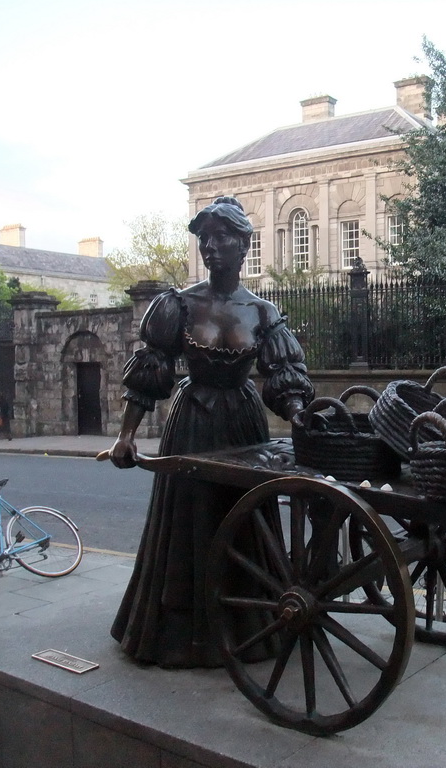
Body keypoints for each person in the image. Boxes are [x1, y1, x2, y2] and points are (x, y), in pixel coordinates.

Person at [107, 196, 314, 668]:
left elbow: (283, 374)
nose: (212, 246)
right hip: (194, 423)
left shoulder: (262, 312)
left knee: (243, 521)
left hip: (243, 424)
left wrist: (299, 415)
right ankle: (182, 636)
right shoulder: (179, 304)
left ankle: (250, 627)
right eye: (205, 237)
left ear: (244, 246)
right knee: (190, 522)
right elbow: (150, 372)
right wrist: (126, 435)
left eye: (223, 237)